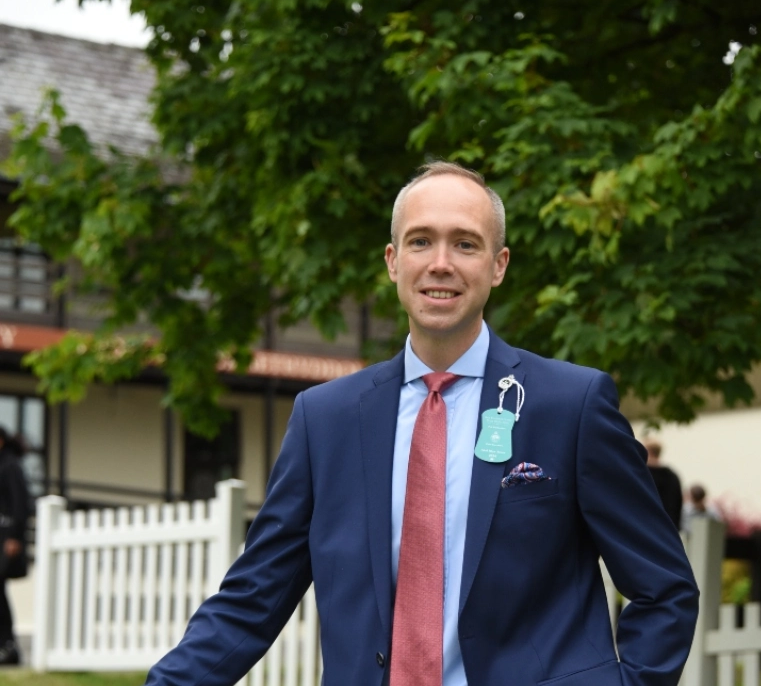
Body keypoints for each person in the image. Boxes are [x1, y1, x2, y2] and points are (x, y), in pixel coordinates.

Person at [145, 161, 698, 686]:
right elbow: (253, 599)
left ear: (499, 265)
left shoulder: (572, 406)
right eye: (420, 241)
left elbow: (664, 588)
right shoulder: (325, 421)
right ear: (393, 261)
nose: (440, 263)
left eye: (465, 243)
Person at [0, 427, 30, 666]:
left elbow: (20, 504)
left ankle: (9, 647)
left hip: (6, 539)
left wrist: (14, 537)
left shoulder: (10, 465)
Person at [645, 439, 684, 530]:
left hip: (646, 523)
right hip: (667, 526)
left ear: (648, 451)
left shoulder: (642, 474)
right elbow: (678, 503)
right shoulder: (672, 476)